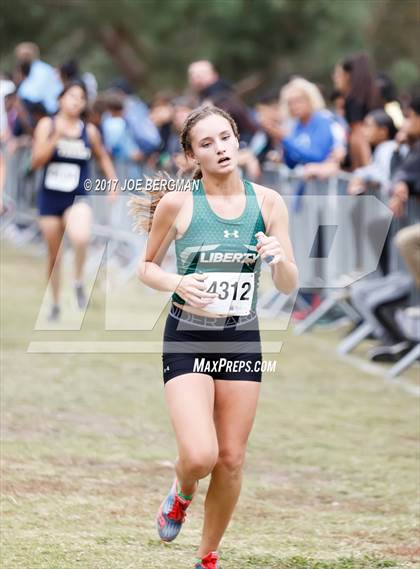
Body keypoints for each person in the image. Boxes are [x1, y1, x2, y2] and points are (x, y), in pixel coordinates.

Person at [130, 105, 298, 568]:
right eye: (207, 143)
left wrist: (278, 258)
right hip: (188, 335)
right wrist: (176, 283)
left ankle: (208, 555)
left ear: (237, 140)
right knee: (201, 455)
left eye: (225, 138)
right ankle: (182, 490)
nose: (220, 148)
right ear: (191, 154)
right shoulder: (179, 204)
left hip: (241, 336)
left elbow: (288, 284)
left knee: (231, 459)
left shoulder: (268, 203)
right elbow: (146, 267)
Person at [31, 80, 118, 321]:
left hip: (77, 196)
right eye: (71, 96)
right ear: (60, 99)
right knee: (54, 255)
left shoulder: (88, 130)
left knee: (81, 237)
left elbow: (103, 156)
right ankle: (55, 303)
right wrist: (56, 137)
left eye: (81, 98)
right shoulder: (46, 125)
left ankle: (78, 281)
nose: (76, 101)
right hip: (50, 198)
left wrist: (112, 181)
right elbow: (36, 161)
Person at [333, 53, 381, 169]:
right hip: (377, 152)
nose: (335, 78)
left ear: (348, 75)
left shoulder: (353, 100)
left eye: (339, 74)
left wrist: (363, 170)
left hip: (367, 157)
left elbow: (358, 136)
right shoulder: (369, 95)